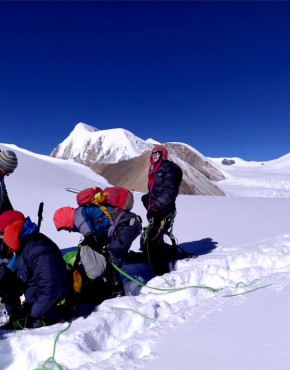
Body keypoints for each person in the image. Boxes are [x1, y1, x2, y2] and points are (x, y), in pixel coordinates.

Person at [53, 201, 142, 298]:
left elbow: (92, 237)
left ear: (65, 220)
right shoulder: (80, 214)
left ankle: (117, 292)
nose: (68, 231)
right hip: (128, 224)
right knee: (114, 255)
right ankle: (141, 261)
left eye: (65, 228)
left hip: (125, 226)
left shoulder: (78, 217)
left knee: (112, 260)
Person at [0, 210, 68, 329]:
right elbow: (19, 278)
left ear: (11, 229)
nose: (1, 237)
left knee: (31, 326)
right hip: (37, 302)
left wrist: (32, 316)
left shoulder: (38, 249)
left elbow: (50, 288)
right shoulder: (22, 247)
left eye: (1, 232)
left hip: (52, 306)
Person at [141, 145, 183, 276]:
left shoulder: (167, 168)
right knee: (153, 240)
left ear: (163, 154)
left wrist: (155, 205)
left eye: (157, 153)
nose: (154, 155)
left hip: (164, 212)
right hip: (158, 211)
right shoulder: (155, 169)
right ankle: (158, 264)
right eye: (152, 153)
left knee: (152, 241)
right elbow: (157, 190)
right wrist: (147, 198)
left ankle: (161, 274)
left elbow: (170, 192)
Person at [0, 149, 18, 215]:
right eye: (7, 171)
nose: (7, 175)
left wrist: (13, 216)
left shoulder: (1, 176)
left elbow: (4, 197)